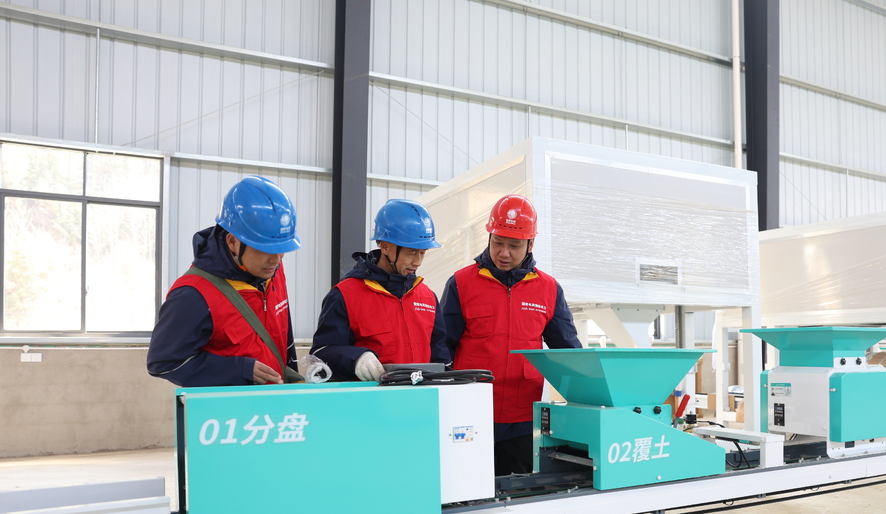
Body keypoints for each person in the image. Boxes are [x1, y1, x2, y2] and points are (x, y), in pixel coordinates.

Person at [442, 194, 581, 476]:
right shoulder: (461, 283)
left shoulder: (548, 289)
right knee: (466, 487)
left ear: (530, 244)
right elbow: (442, 348)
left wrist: (588, 392)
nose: (504, 253)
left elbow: (568, 352)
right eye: (498, 242)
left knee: (518, 492)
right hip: (470, 411)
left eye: (514, 246)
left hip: (522, 418)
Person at [147, 176, 301, 387]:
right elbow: (163, 363)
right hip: (229, 407)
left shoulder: (273, 271)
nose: (276, 259)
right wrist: (239, 370)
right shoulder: (193, 295)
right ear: (232, 242)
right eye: (265, 249)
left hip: (276, 401)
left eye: (282, 249)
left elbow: (284, 335)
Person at [311, 199, 451, 381]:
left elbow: (440, 356)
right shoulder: (345, 295)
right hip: (371, 397)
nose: (417, 262)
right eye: (411, 252)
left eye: (422, 253)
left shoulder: (427, 297)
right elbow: (321, 352)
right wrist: (356, 358)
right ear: (385, 247)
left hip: (421, 396)